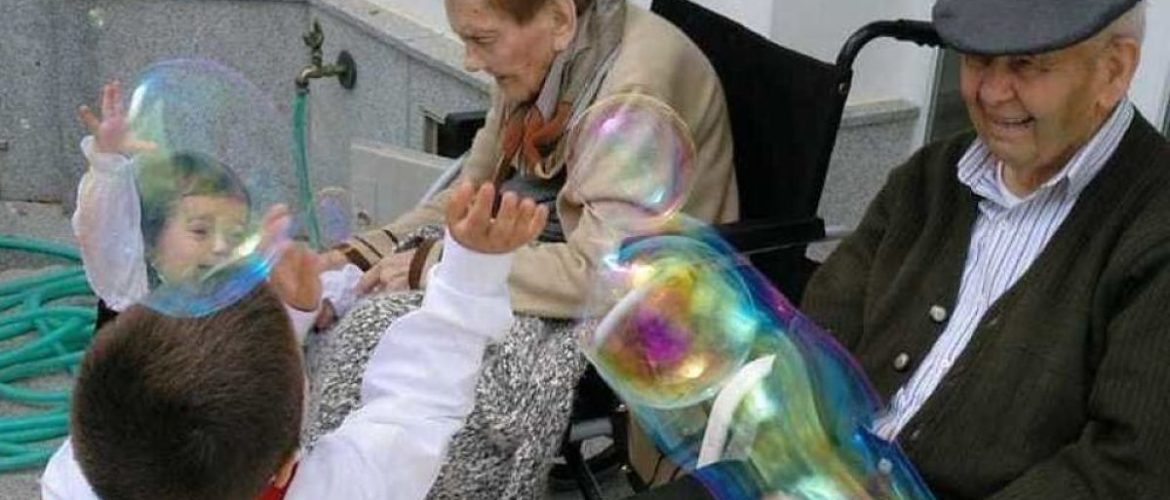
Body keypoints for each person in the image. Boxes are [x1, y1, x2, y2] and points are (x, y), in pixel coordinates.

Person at [308, 0, 738, 496]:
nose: (470, 61)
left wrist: (446, 266)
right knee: (359, 314)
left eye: (481, 40)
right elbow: (469, 198)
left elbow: (603, 274)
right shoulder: (544, 62)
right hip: (554, 249)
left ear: (560, 20)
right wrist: (364, 251)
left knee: (395, 347)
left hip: (645, 299)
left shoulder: (634, 100)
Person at [800, 0, 1170, 497]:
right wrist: (797, 445)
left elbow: (1129, 469)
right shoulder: (930, 177)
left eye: (1027, 63)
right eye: (977, 59)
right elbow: (826, 318)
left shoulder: (1153, 230)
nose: (991, 93)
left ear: (1113, 71)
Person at [39, 181, 550, 500]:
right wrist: (470, 269)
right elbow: (417, 403)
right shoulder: (341, 488)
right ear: (285, 467)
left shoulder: (72, 480)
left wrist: (292, 315)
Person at [74, 81, 362, 336]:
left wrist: (318, 299)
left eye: (235, 235)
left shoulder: (237, 293)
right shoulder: (131, 287)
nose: (221, 246)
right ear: (151, 243)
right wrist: (107, 161)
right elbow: (103, 229)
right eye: (200, 230)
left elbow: (321, 290)